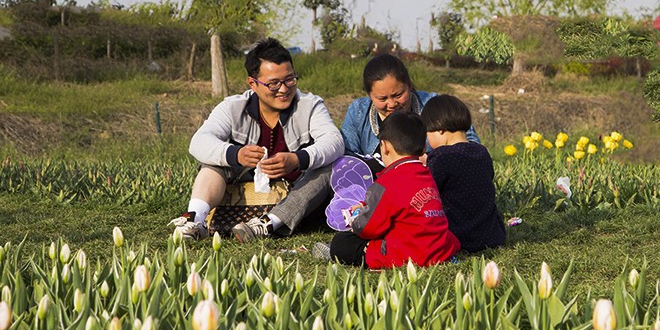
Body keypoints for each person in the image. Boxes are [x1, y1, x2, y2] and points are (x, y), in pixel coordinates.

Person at [169, 38, 345, 243]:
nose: (284, 89)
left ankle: (267, 224)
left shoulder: (309, 105)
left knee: (331, 164)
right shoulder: (233, 107)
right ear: (253, 83)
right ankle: (195, 219)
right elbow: (198, 142)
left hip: (295, 187)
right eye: (273, 84)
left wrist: (297, 159)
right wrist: (236, 154)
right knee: (212, 160)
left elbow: (334, 141)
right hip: (243, 178)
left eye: (290, 79)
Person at [319, 111, 460, 268]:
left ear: (384, 147)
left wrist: (356, 220)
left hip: (407, 255)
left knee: (342, 242)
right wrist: (366, 206)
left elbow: (369, 228)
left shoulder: (386, 182)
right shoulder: (427, 174)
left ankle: (338, 252)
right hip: (439, 250)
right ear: (423, 148)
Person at [340, 53, 479, 159]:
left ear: (409, 86)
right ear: (369, 95)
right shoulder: (358, 112)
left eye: (398, 95)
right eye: (382, 98)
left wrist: (432, 161)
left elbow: (471, 147)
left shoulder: (435, 106)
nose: (392, 104)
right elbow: (347, 159)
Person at [420, 94, 506, 253]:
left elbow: (428, 192)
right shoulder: (481, 152)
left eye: (427, 134)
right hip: (492, 235)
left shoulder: (440, 157)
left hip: (459, 237)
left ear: (440, 130)